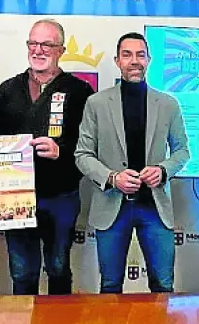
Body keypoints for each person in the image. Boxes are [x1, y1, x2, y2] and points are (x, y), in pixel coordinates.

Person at [75, 31, 190, 293]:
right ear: (117, 61)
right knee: (110, 285)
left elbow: (182, 151)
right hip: (111, 207)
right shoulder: (96, 103)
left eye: (140, 55)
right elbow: (82, 155)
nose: (134, 61)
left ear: (149, 60)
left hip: (154, 207)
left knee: (163, 285)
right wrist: (112, 178)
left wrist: (163, 170)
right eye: (127, 55)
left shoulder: (168, 104)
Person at [0, 19, 94, 295]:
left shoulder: (80, 91)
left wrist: (61, 151)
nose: (38, 50)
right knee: (22, 272)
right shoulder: (8, 89)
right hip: (14, 195)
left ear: (61, 50)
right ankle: (25, 323)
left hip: (61, 196)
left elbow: (90, 146)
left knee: (58, 268)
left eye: (46, 44)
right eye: (33, 43)